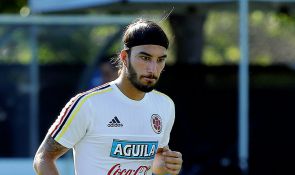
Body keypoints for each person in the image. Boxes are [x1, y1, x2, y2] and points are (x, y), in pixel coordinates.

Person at [33, 18, 183, 175]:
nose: (153, 68)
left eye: (160, 60)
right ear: (125, 57)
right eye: (145, 58)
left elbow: (154, 163)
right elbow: (43, 158)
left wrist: (166, 164)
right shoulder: (88, 104)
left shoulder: (165, 105)